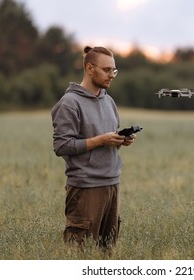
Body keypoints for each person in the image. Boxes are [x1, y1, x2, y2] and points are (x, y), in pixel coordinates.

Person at [51, 46, 136, 249]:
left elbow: (106, 140)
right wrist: (100, 140)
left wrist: (120, 140)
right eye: (106, 70)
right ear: (89, 68)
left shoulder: (109, 101)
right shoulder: (69, 103)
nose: (111, 75)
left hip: (112, 184)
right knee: (79, 253)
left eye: (113, 70)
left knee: (107, 253)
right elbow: (61, 145)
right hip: (85, 187)